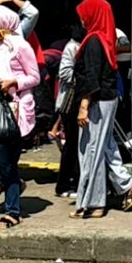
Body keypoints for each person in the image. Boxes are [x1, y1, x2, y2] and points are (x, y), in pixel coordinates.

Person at [71, 0, 132, 219]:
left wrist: (84, 106)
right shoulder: (104, 38)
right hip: (107, 99)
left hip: (98, 101)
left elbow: (92, 78)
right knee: (107, 147)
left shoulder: (93, 41)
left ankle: (94, 203)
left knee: (91, 150)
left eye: (85, 15)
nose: (82, 20)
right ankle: (127, 185)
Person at [0, 6, 40, 229]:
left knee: (6, 161)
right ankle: (14, 188)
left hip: (17, 110)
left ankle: (12, 212)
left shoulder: (21, 46)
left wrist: (14, 82)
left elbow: (34, 77)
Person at [51, 23, 85, 198]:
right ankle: (63, 185)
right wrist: (83, 78)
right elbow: (64, 73)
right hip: (70, 103)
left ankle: (73, 181)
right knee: (71, 145)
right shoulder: (72, 47)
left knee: (75, 144)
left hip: (75, 103)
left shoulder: (78, 46)